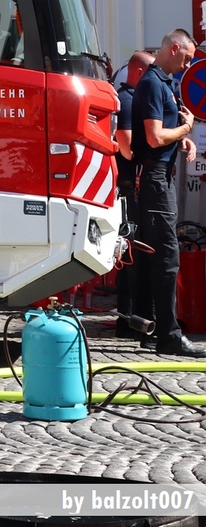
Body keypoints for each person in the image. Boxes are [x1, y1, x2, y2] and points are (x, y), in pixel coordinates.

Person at [131, 29, 204, 357]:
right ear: (174, 48)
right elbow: (154, 137)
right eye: (186, 58)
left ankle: (148, 329)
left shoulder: (160, 81)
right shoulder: (153, 83)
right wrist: (185, 130)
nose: (187, 65)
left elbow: (162, 135)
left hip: (154, 176)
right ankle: (168, 335)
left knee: (150, 255)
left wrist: (181, 139)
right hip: (155, 180)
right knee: (167, 257)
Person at [114, 50, 155, 340]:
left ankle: (129, 320)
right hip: (130, 188)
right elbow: (125, 145)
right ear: (139, 72)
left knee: (132, 255)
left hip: (131, 187)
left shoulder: (131, 99)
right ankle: (129, 322)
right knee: (131, 258)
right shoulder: (128, 101)